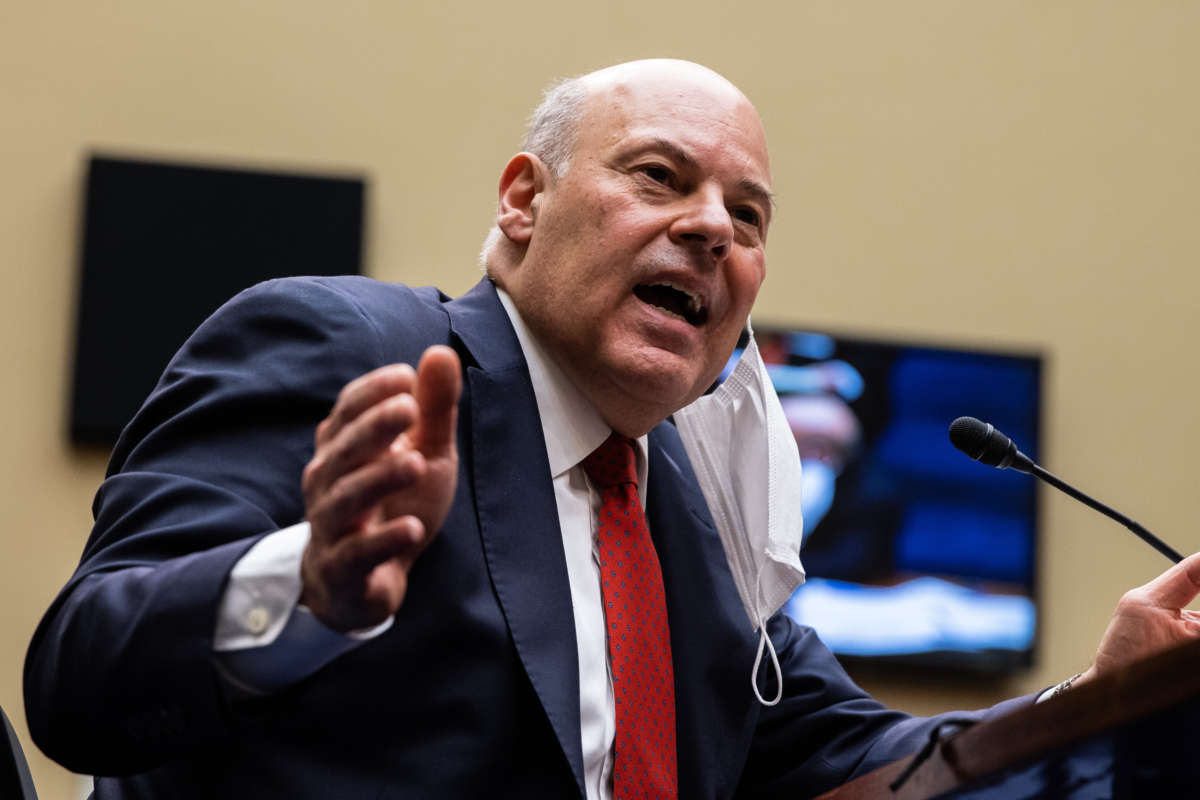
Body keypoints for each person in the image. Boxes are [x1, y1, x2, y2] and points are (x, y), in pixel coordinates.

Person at [24, 59, 1200, 799]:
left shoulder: (702, 510)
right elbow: (79, 675)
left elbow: (849, 758)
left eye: (748, 214)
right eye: (660, 177)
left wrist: (1097, 701)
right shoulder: (352, 348)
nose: (712, 229)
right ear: (523, 201)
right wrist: (308, 583)